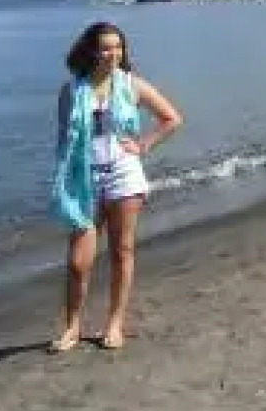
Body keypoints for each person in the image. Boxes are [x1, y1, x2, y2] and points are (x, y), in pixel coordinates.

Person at [50, 21, 183, 352]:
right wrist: (65, 178)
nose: (113, 54)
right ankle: (71, 327)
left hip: (124, 175)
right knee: (78, 262)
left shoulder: (131, 85)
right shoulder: (72, 90)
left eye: (118, 47)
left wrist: (144, 145)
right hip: (85, 180)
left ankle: (114, 324)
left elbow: (172, 118)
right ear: (91, 51)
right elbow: (64, 139)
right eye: (105, 47)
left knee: (122, 251)